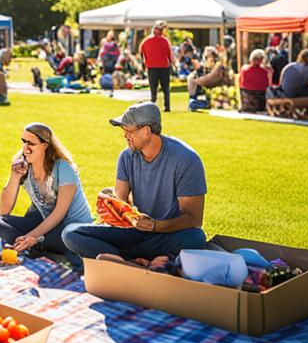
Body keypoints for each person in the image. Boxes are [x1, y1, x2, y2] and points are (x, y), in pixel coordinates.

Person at [62, 103, 207, 262]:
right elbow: (121, 201)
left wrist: (155, 226)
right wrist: (111, 204)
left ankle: (122, 259)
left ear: (146, 131)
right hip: (135, 231)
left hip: (168, 234)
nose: (125, 135)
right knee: (70, 233)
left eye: (129, 130)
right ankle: (134, 262)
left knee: (195, 238)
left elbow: (194, 219)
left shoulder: (186, 160)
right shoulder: (127, 156)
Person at [0, 122, 94, 268]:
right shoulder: (24, 165)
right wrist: (15, 176)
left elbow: (60, 213)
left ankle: (28, 245)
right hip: (44, 223)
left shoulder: (63, 168)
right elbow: (4, 211)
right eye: (23, 141)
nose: (25, 148)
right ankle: (27, 245)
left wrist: (33, 236)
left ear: (45, 146)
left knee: (63, 237)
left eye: (31, 143)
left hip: (71, 228)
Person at [140, 20, 172, 111]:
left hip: (156, 67)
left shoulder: (147, 41)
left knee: (155, 88)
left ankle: (159, 107)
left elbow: (141, 52)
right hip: (159, 66)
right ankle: (165, 107)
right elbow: (169, 54)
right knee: (163, 88)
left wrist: (144, 63)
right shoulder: (164, 40)